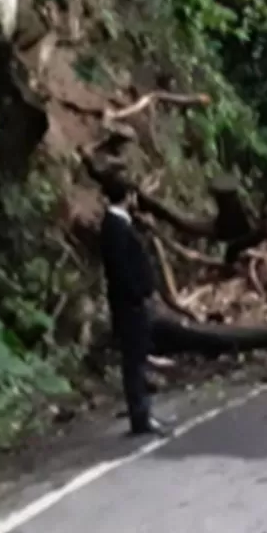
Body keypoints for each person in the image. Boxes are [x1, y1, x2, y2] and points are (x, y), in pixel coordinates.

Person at [99, 178, 168, 437]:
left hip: (131, 302)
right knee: (134, 361)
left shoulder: (120, 224)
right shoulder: (115, 227)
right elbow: (119, 269)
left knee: (139, 358)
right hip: (128, 304)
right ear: (128, 197)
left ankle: (144, 414)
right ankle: (140, 417)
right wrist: (137, 293)